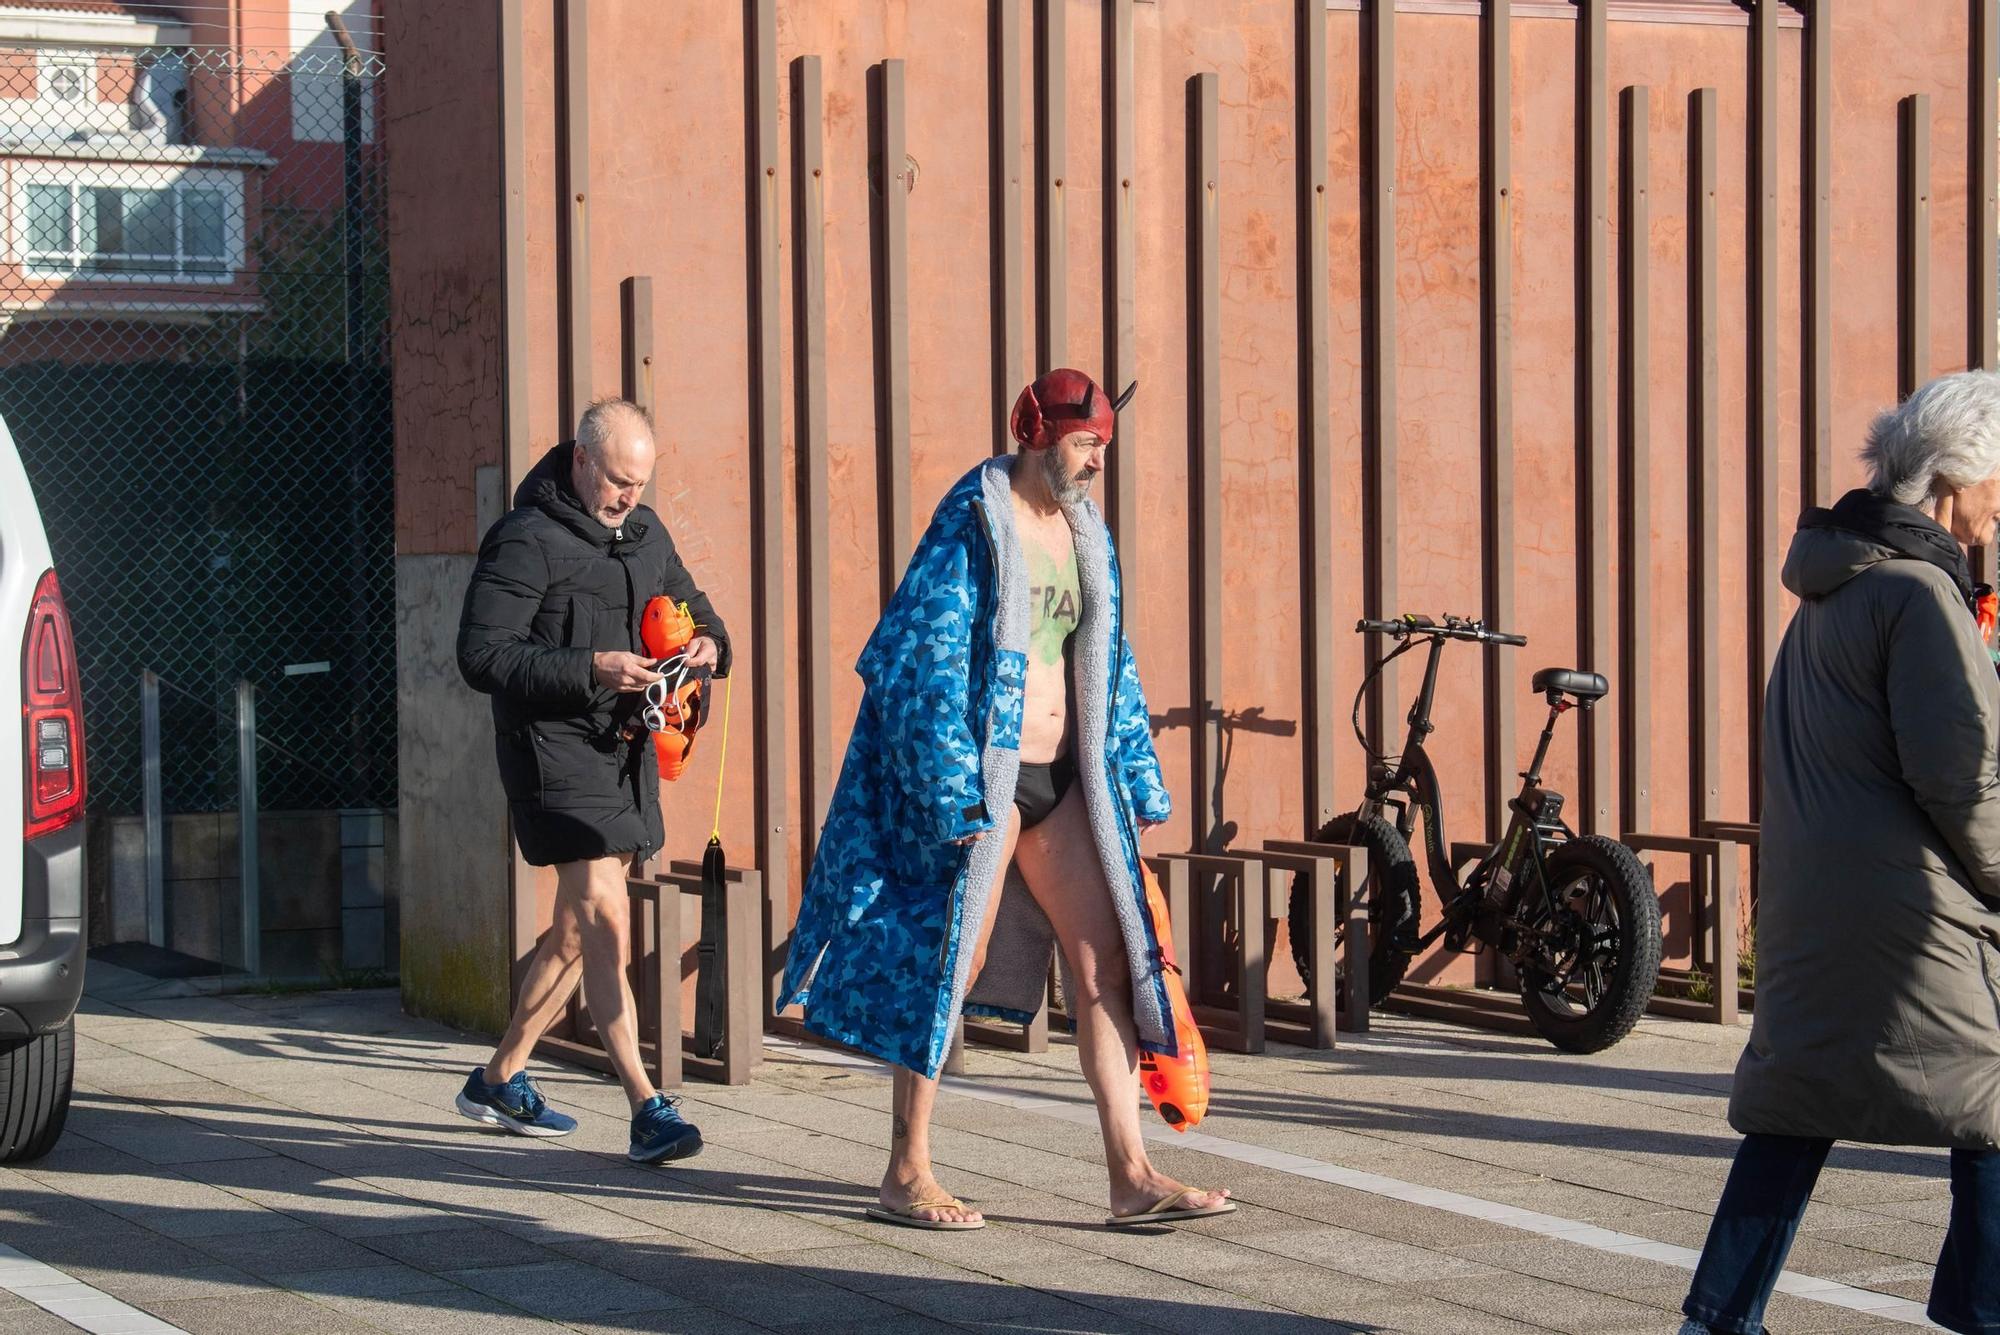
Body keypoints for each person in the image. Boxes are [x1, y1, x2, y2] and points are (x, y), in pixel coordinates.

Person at [780, 369, 1232, 1231]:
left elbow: (1112, 660)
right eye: (1083, 442)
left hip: (1065, 775)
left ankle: (1130, 1174)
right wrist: (950, 784)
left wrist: (1132, 776)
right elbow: (922, 651)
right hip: (987, 776)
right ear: (1035, 431)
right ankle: (905, 1169)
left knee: (1102, 964)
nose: (1097, 459)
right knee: (955, 955)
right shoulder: (974, 517)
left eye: (1102, 444)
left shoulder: (1085, 530)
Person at [1680, 371, 2000, 1335]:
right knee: (1988, 1099)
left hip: (1826, 897)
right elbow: (1964, 777)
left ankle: (1717, 1319)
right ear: (1957, 473)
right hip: (1912, 911)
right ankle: (1984, 1313)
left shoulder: (1830, 587)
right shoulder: (1918, 595)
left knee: (1797, 1106)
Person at [453, 397, 729, 1165]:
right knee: (608, 914)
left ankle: (499, 1076)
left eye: (640, 484)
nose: (628, 497)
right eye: (616, 480)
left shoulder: (646, 533)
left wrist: (706, 647)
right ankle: (647, 1104)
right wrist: (592, 668)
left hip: (626, 752)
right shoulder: (523, 540)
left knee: (577, 929)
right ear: (580, 458)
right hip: (551, 753)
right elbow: (481, 656)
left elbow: (701, 613)